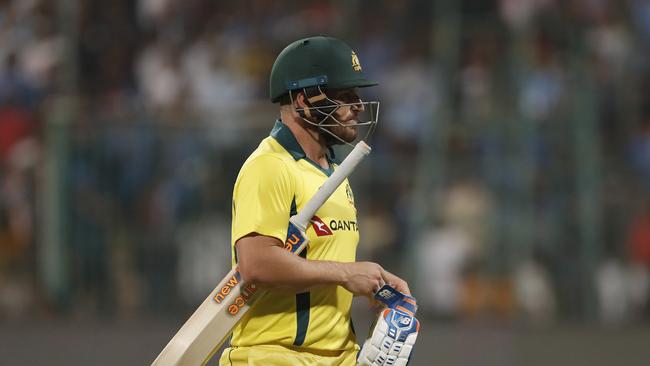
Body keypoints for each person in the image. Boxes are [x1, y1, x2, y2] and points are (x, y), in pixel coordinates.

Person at [218, 36, 412, 366]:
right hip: (275, 357)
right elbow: (256, 265)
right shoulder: (269, 166)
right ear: (303, 100)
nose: (358, 106)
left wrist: (373, 283)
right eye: (344, 96)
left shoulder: (335, 174)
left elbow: (323, 263)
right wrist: (346, 274)